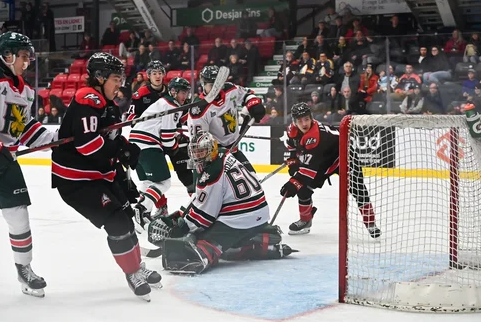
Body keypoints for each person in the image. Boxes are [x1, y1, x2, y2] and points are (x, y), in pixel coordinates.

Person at [51, 52, 161, 301]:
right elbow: (88, 145)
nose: (120, 84)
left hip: (98, 175)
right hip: (77, 181)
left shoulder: (109, 105)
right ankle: (132, 272)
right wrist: (119, 150)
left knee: (126, 215)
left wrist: (124, 147)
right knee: (117, 223)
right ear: (99, 78)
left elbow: (108, 139)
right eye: (115, 78)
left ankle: (137, 266)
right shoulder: (87, 99)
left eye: (121, 78)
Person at [148, 131, 296, 274]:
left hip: (240, 217)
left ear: (211, 149)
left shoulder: (212, 172)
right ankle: (260, 241)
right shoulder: (223, 154)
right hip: (259, 211)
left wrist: (183, 226)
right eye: (195, 152)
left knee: (204, 239)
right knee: (226, 245)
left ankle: (201, 257)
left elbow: (204, 217)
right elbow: (200, 199)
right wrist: (182, 213)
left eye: (202, 151)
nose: (198, 155)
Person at [0, 31, 56, 297]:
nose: (27, 62)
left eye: (28, 57)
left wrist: (54, 138)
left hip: (3, 161)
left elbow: (23, 127)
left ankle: (24, 269)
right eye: (23, 56)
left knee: (18, 215)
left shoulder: (25, 90)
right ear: (7, 55)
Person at [280, 103, 381, 238]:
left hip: (345, 156)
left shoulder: (316, 136)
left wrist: (294, 182)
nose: (304, 123)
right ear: (294, 122)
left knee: (358, 189)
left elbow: (312, 167)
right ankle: (305, 220)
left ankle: (371, 223)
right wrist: (293, 163)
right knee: (303, 187)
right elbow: (292, 147)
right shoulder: (292, 130)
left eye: (306, 119)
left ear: (311, 118)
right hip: (323, 160)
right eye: (300, 121)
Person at [130, 77, 193, 231]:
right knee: (164, 182)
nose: (185, 96)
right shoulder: (172, 105)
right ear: (173, 91)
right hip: (148, 144)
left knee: (147, 183)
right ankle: (142, 208)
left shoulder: (163, 103)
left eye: (186, 92)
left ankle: (141, 217)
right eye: (182, 92)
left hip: (134, 143)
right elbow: (167, 138)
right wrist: (177, 145)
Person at [187, 65, 266, 173]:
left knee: (252, 178)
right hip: (214, 156)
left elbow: (247, 94)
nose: (216, 89)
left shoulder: (230, 89)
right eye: (211, 85)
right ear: (203, 84)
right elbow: (198, 144)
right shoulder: (198, 110)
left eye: (218, 85)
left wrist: (254, 104)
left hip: (234, 149)